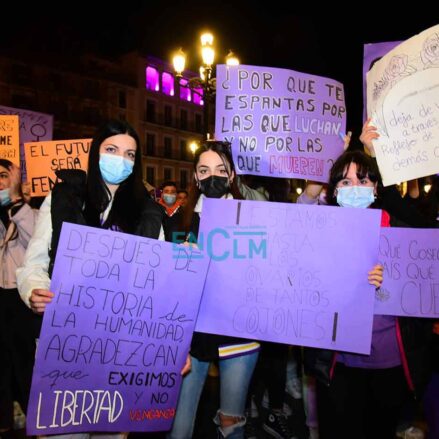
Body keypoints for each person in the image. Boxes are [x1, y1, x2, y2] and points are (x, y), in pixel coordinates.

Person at [16, 119, 171, 439]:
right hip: (65, 346)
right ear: (95, 152)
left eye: (130, 154)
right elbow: (33, 264)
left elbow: (158, 284)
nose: (121, 159)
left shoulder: (149, 212)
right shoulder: (63, 199)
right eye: (112, 149)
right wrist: (34, 290)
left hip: (121, 351)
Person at [300, 149, 433, 439]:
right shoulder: (320, 232)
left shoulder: (401, 229)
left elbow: (425, 281)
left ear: (376, 188)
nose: (354, 189)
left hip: (389, 364)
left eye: (362, 180)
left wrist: (394, 280)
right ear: (334, 190)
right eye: (345, 183)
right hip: (338, 364)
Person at [168, 141, 259, 439]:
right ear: (194, 177)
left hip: (238, 330)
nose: (213, 177)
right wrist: (180, 261)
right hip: (192, 335)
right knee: (178, 428)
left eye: (221, 170)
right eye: (204, 170)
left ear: (232, 175)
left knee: (232, 424)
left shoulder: (253, 217)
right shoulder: (179, 221)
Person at [0, 159, 38, 438]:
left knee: (26, 359)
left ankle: (35, 415)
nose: (0, 181)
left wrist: (15, 201)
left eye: (4, 176)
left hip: (21, 297)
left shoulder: (29, 212)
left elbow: (37, 240)